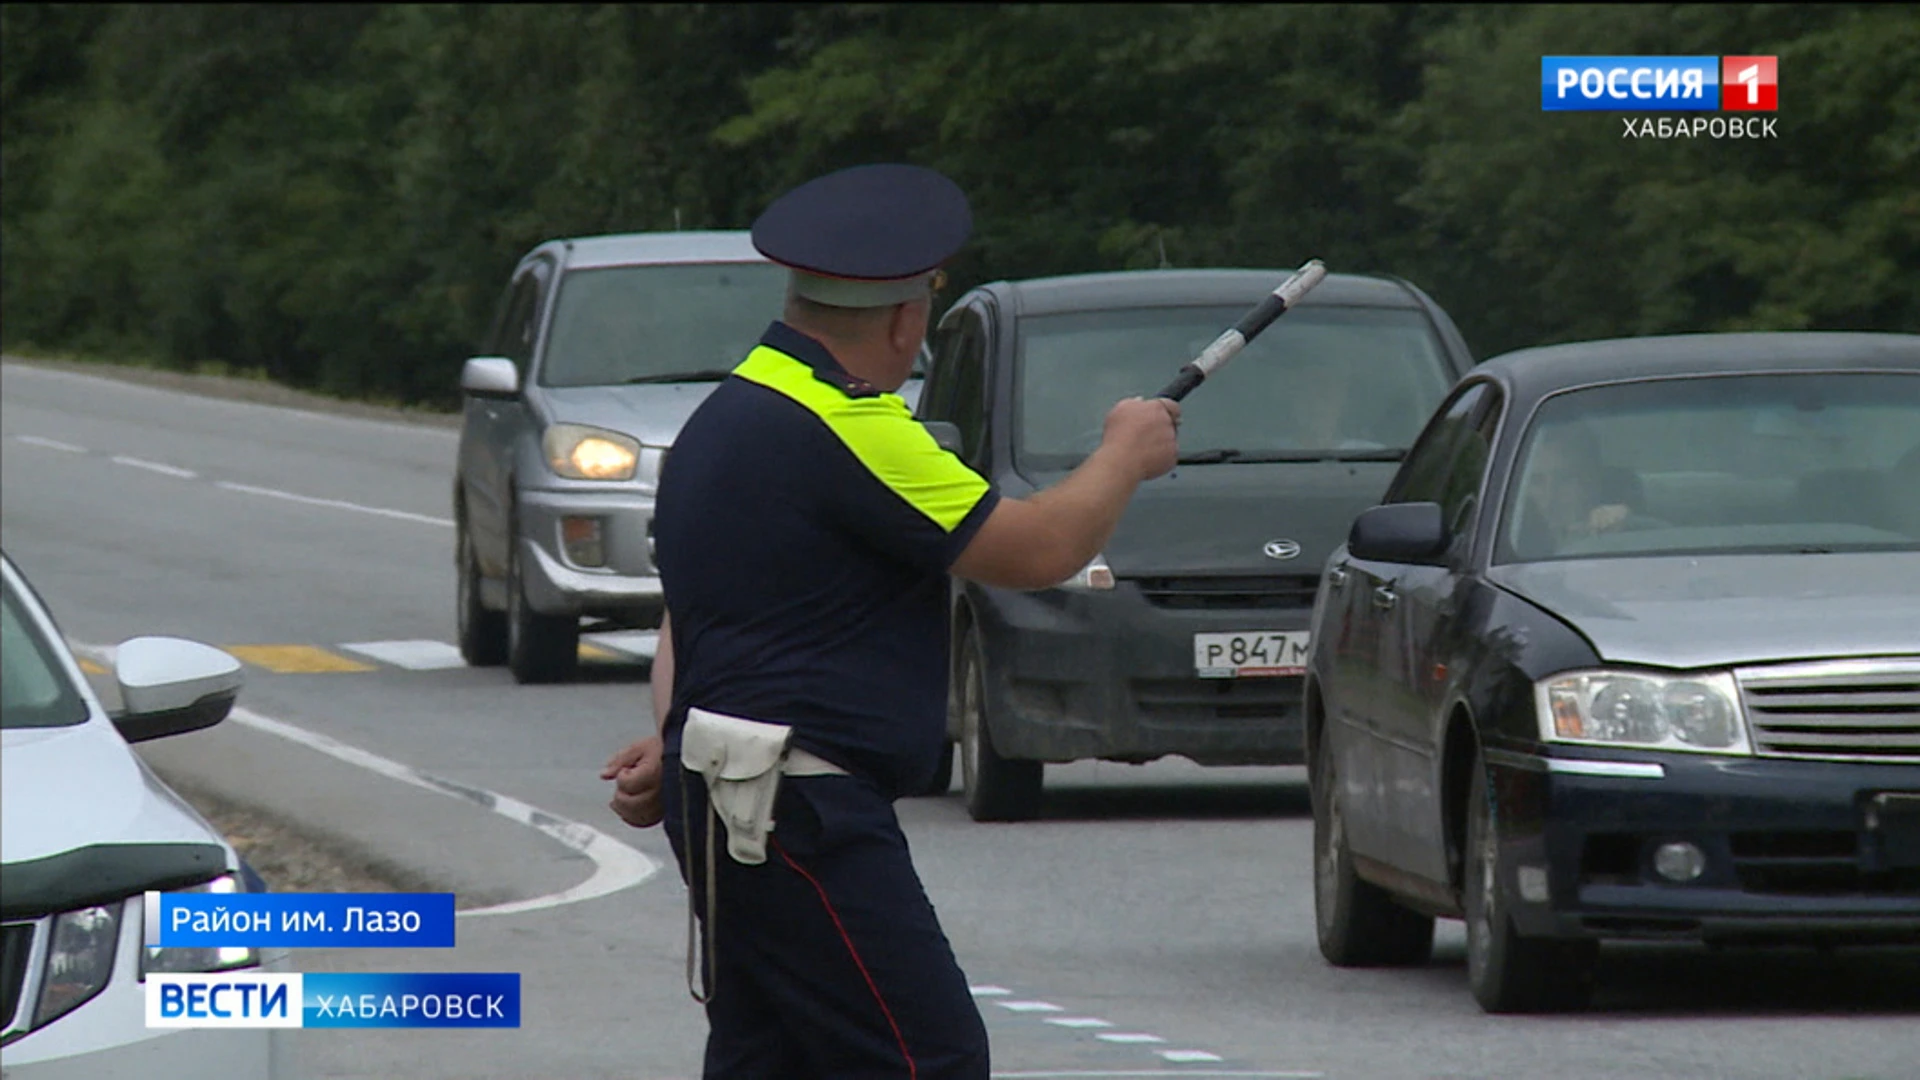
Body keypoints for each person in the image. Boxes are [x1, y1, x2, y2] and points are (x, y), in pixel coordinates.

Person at [599, 162, 1179, 1080]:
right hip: (802, 809)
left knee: (771, 1056)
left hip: (728, 794)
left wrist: (676, 745)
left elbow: (690, 615)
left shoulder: (726, 416)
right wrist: (1125, 453)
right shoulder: (855, 423)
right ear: (908, 318)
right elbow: (1035, 548)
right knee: (928, 1056)